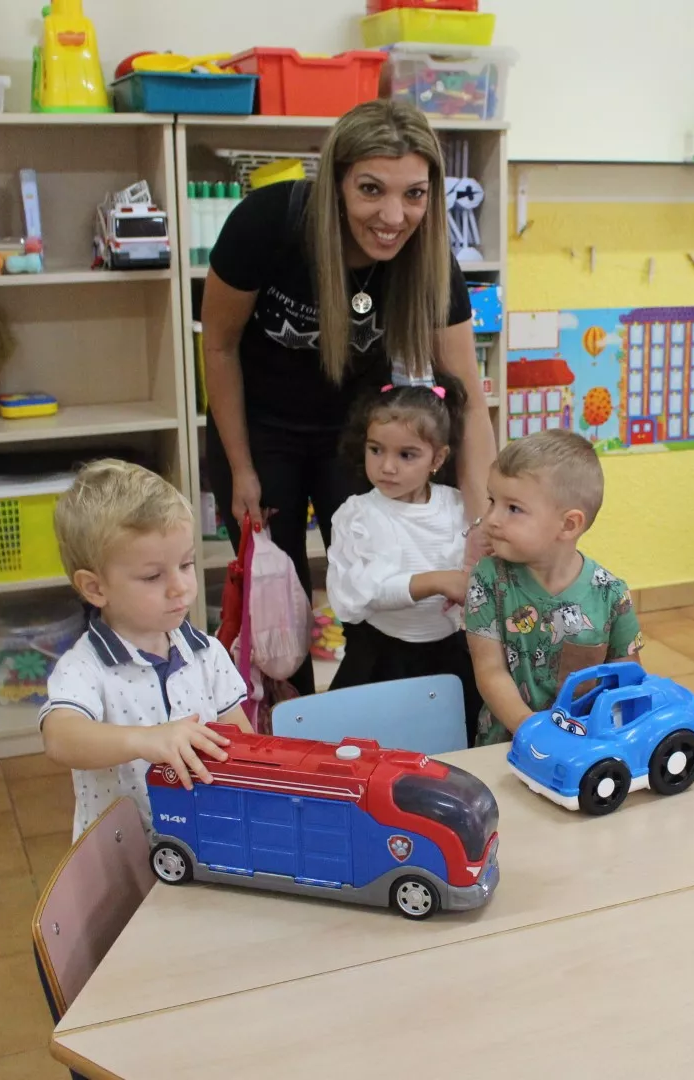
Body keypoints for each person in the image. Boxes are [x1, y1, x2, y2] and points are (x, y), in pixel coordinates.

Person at [201, 99, 495, 695]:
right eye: (371, 190)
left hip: (358, 439)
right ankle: (292, 738)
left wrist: (483, 520)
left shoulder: (432, 260)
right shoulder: (269, 223)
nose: (394, 215)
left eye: (414, 194)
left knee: (375, 595)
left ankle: (364, 738)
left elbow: (466, 398)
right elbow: (221, 349)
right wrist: (240, 469)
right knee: (277, 613)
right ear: (336, 182)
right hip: (260, 431)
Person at [39, 460, 254, 840]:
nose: (180, 588)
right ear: (95, 588)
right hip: (119, 860)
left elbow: (240, 740)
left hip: (204, 842)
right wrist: (146, 739)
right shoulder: (84, 668)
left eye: (186, 564)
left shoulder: (209, 653)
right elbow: (60, 737)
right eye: (153, 576)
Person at [326, 380, 480, 745]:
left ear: (438, 459)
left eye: (406, 455)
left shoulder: (457, 506)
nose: (387, 467)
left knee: (455, 742)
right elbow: (360, 595)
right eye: (376, 450)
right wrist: (439, 581)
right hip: (381, 658)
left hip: (449, 656)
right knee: (375, 750)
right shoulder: (357, 515)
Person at [464, 430, 641, 747]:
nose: (491, 519)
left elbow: (627, 683)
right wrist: (533, 732)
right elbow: (491, 673)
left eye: (513, 508)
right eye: (492, 501)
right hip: (505, 749)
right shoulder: (488, 578)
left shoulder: (612, 595)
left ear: (569, 524)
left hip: (585, 750)